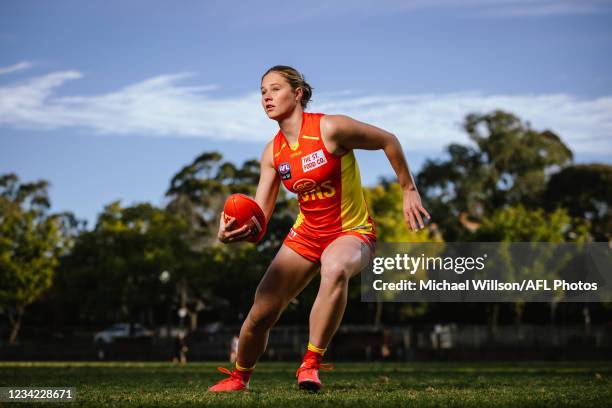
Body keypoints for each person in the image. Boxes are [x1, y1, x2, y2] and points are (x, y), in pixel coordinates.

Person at [208, 65, 430, 392]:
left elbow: (388, 140)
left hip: (351, 233)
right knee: (260, 312)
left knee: (336, 266)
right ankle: (239, 378)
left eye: (275, 89)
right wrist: (231, 231)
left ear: (297, 94)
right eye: (262, 91)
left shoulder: (330, 128)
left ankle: (310, 364)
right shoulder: (273, 153)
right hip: (306, 236)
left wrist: (408, 189)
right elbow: (259, 217)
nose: (266, 97)